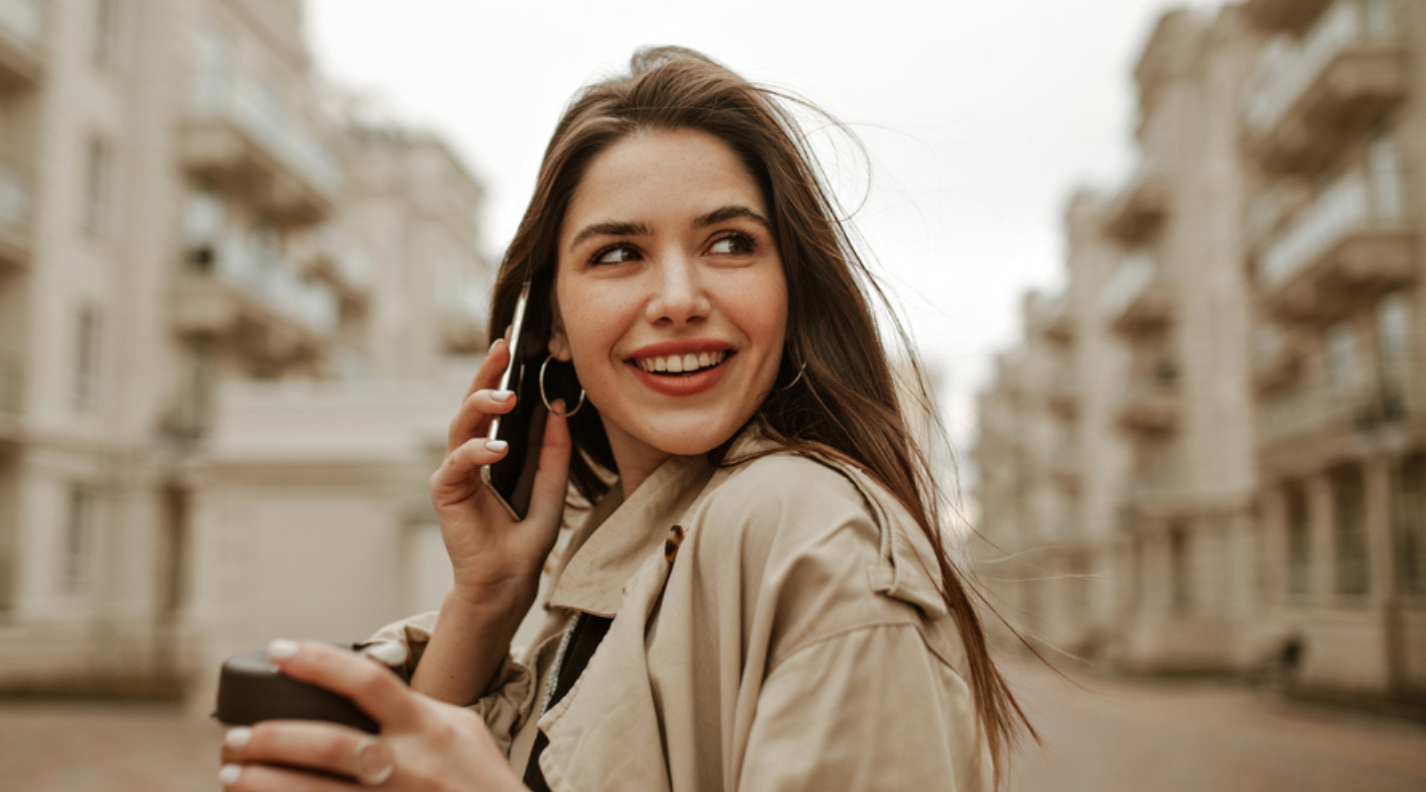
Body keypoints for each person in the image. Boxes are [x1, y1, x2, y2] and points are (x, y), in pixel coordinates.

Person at [217, 46, 1032, 792]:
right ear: (554, 330)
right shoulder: (616, 568)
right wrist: (488, 601)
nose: (678, 299)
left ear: (791, 287)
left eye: (729, 243)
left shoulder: (807, 531)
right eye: (617, 254)